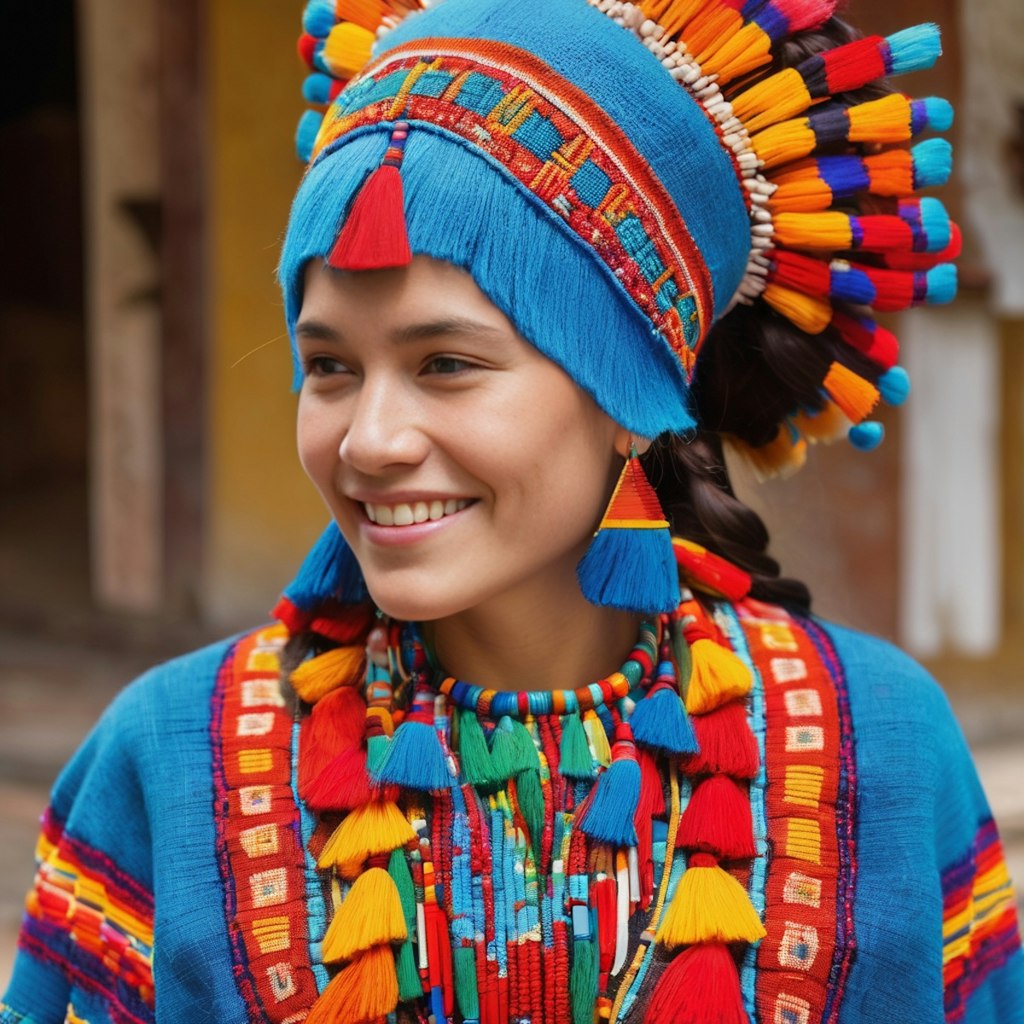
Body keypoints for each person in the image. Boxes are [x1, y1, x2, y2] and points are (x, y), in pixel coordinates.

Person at [3, 0, 1022, 1021]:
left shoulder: (880, 747)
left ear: (629, 401)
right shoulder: (172, 759)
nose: (368, 440)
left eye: (445, 364)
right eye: (329, 368)